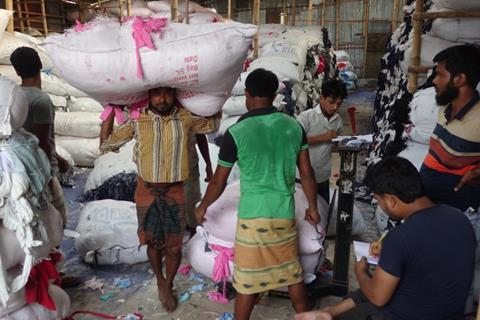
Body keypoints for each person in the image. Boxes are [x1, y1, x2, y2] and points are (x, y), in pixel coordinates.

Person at [195, 68, 320, 320]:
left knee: (247, 283)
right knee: (291, 273)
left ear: (248, 95)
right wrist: (313, 209)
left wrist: (203, 206)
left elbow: (219, 181)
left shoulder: (237, 132)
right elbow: (307, 174)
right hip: (282, 214)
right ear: (274, 96)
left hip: (252, 218)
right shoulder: (293, 126)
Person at [296, 156, 476, 320]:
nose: (381, 206)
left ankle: (331, 314)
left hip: (402, 314)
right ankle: (329, 312)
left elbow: (377, 297)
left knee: (366, 293)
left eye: (379, 201)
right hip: (450, 312)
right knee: (374, 285)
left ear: (391, 200)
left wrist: (360, 271)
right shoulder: (459, 218)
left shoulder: (401, 237)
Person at [100, 86, 219, 312]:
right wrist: (110, 111)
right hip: (147, 190)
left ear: (175, 95)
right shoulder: (137, 121)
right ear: (149, 96)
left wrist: (217, 95)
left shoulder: (186, 118)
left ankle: (169, 283)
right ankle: (160, 281)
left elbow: (211, 125)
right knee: (153, 242)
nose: (162, 99)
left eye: (167, 93)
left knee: (174, 247)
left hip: (175, 190)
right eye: (157, 94)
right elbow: (107, 144)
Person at [10, 47, 69, 228]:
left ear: (17, 71)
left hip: (18, 168)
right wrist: (52, 171)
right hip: (41, 171)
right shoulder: (41, 101)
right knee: (57, 223)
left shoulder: (13, 96)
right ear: (40, 65)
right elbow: (40, 142)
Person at [420, 44, 480, 212]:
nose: (434, 80)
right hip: (429, 201)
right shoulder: (445, 106)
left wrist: (476, 173)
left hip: (457, 212)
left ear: (459, 79)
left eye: (440, 75)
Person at [296, 80, 346, 204]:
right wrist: (323, 137)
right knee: (304, 213)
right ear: (321, 98)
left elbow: (333, 146)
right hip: (302, 177)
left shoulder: (337, 121)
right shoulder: (306, 117)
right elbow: (295, 143)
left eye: (339, 104)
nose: (335, 107)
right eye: (331, 102)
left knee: (323, 212)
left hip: (323, 176)